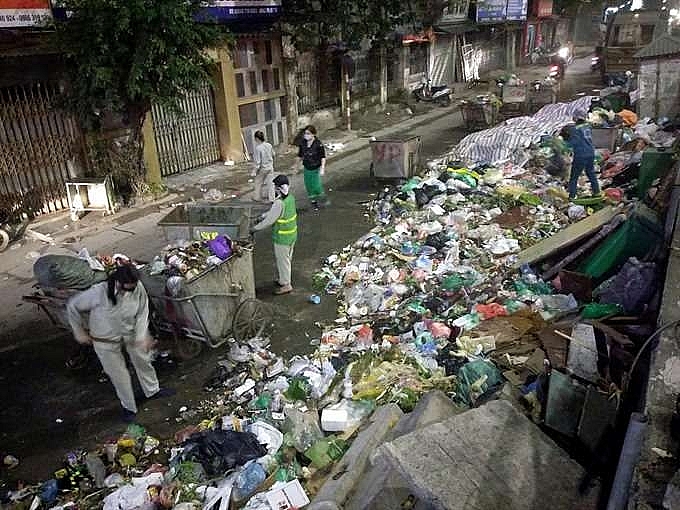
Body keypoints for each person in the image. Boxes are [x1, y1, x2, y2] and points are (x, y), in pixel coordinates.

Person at [66, 264, 174, 422]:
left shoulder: (137, 288)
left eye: (133, 287)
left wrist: (141, 334)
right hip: (105, 339)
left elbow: (142, 311)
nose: (130, 291)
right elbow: (72, 306)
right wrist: (79, 332)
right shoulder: (99, 292)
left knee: (143, 360)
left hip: (131, 333)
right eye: (126, 288)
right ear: (117, 282)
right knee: (118, 374)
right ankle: (129, 407)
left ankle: (153, 390)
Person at [251, 174, 297, 295]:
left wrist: (255, 228)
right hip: (292, 235)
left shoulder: (279, 203)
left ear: (278, 188)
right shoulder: (290, 198)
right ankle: (283, 279)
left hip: (282, 238)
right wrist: (262, 216)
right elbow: (275, 213)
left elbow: (270, 220)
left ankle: (286, 284)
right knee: (287, 259)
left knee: (283, 261)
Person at [564, 110, 600, 200]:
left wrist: (564, 145)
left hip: (581, 154)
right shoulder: (588, 126)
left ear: (576, 117)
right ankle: (596, 192)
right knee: (591, 173)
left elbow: (574, 142)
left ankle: (572, 196)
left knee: (574, 176)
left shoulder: (575, 129)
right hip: (591, 152)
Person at [297, 125, 326, 211]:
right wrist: (296, 166)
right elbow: (300, 155)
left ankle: (322, 197)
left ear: (313, 134)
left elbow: (323, 157)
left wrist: (322, 168)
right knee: (309, 186)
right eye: (305, 133)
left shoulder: (318, 144)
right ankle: (313, 202)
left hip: (316, 168)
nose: (306, 135)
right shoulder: (303, 143)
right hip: (307, 167)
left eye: (308, 134)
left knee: (316, 185)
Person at [251, 130, 275, 202]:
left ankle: (257, 197)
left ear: (257, 139)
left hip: (263, 168)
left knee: (258, 182)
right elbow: (273, 154)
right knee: (271, 183)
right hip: (270, 167)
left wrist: (254, 171)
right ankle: (272, 198)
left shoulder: (258, 148)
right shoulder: (269, 145)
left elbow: (257, 162)